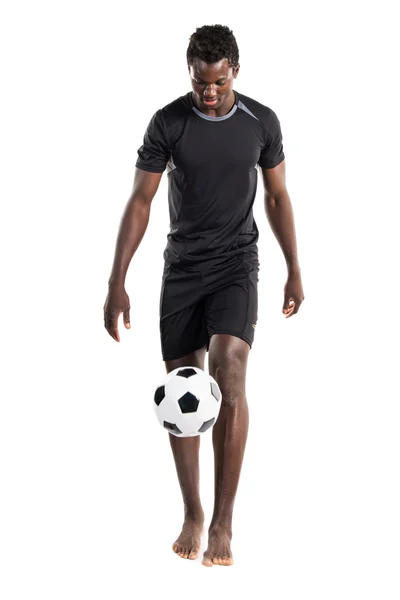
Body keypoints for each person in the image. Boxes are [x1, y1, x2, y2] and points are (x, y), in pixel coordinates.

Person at [103, 24, 304, 567]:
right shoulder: (168, 121)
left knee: (229, 370)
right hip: (182, 271)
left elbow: (279, 196)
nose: (207, 93)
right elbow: (140, 201)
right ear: (190, 73)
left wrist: (294, 267)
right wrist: (116, 280)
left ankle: (223, 523)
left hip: (237, 263)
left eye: (216, 82)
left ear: (234, 70)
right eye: (198, 83)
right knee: (181, 390)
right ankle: (192, 510)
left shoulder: (261, 121)